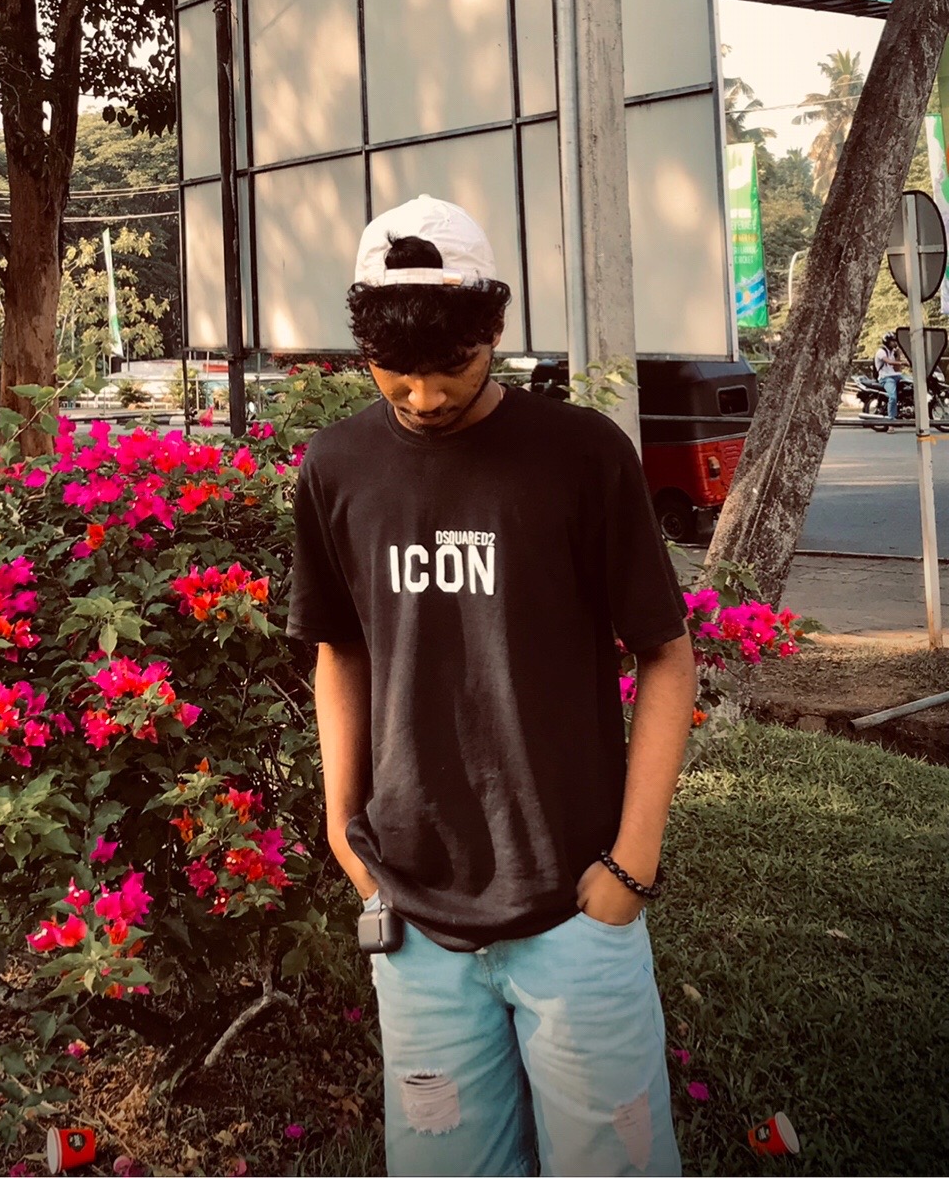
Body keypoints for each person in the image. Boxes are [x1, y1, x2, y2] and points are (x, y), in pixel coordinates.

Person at [288, 195, 697, 1178]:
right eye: (395, 369)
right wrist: (343, 834)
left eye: (452, 366)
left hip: (576, 906)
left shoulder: (581, 455)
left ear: (496, 330)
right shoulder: (337, 465)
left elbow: (665, 654)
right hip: (413, 916)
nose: (424, 395)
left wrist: (632, 866)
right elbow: (339, 651)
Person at [873, 332, 906, 428]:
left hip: (896, 375)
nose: (895, 343)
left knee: (911, 384)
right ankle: (891, 422)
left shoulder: (893, 352)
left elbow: (896, 369)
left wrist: (898, 355)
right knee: (893, 397)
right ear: (887, 342)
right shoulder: (881, 351)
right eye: (893, 341)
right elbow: (889, 362)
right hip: (886, 378)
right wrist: (901, 363)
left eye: (895, 341)